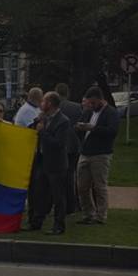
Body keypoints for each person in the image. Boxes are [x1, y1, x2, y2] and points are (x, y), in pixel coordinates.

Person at [24, 92, 72, 235]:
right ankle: (36, 222)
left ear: (50, 103)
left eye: (44, 101)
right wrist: (36, 122)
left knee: (57, 196)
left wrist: (43, 132)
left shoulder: (63, 121)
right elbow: (31, 130)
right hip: (42, 162)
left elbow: (58, 143)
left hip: (56, 165)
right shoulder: (43, 118)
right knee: (39, 193)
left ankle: (59, 225)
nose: (41, 104)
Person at [75, 86, 119, 225]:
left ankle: (101, 215)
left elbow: (112, 131)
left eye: (93, 103)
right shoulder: (88, 112)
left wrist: (93, 128)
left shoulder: (111, 113)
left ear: (101, 100)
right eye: (90, 103)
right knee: (82, 186)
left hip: (101, 153)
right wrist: (79, 127)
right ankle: (88, 213)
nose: (91, 105)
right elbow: (79, 126)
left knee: (99, 186)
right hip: (85, 152)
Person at [56, 83, 83, 214]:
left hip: (59, 147)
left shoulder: (55, 108)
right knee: (72, 175)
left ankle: (62, 203)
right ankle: (74, 203)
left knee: (59, 177)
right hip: (74, 145)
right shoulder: (77, 107)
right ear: (67, 93)